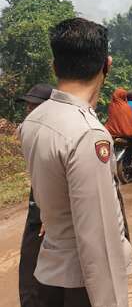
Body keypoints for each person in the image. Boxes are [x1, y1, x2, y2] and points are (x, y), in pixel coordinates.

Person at [18, 18, 132, 307]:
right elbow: (99, 242)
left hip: (49, 273)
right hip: (82, 287)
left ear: (55, 67)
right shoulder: (87, 134)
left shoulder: (35, 120)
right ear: (106, 65)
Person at [16, 84, 52, 307]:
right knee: (30, 257)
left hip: (50, 203)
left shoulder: (60, 135)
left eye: (35, 106)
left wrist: (49, 209)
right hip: (37, 197)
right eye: (28, 106)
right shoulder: (28, 130)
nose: (30, 111)